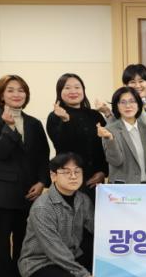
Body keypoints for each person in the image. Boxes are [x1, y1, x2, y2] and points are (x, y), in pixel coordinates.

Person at [18, 153, 119, 277]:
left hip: (70, 253)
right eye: (66, 172)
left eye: (77, 171)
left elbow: (97, 229)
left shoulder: (82, 199)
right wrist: (83, 275)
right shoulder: (42, 207)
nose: (73, 176)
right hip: (40, 263)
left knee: (100, 247)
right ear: (53, 176)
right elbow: (54, 249)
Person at [0, 75, 50, 277]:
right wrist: (9, 127)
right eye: (10, 90)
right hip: (0, 194)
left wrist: (42, 181)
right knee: (0, 245)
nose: (16, 94)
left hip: (29, 192)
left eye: (21, 90)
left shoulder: (34, 123)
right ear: (1, 95)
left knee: (24, 242)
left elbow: (42, 156)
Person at [97, 86, 146, 277]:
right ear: (116, 106)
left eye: (132, 101)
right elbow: (116, 161)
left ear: (139, 105)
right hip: (122, 191)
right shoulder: (111, 128)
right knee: (120, 238)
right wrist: (110, 139)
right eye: (123, 102)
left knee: (138, 237)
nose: (128, 105)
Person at [46, 73, 109, 202]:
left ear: (83, 90)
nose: (73, 91)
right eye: (67, 88)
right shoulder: (55, 117)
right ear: (60, 92)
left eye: (77, 87)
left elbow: (106, 145)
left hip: (95, 180)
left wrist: (103, 171)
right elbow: (61, 146)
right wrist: (65, 120)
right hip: (70, 180)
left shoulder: (95, 115)